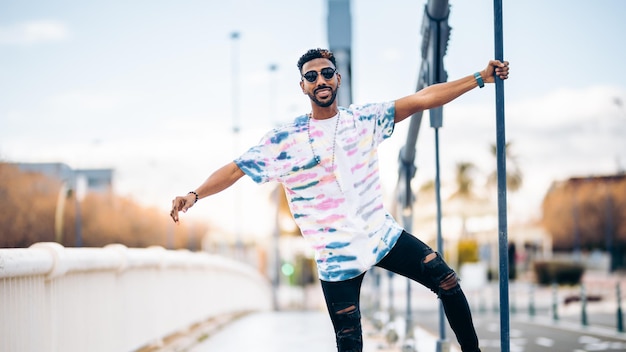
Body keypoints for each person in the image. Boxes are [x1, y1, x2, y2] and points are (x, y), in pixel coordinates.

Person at [170, 48, 509, 352]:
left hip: (382, 236)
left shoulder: (364, 119)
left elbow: (422, 99)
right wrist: (194, 194)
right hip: (336, 256)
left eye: (327, 73)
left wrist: (479, 78)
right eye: (311, 76)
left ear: (338, 78)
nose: (321, 80)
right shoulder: (283, 141)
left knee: (446, 280)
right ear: (302, 86)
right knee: (349, 344)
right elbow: (234, 170)